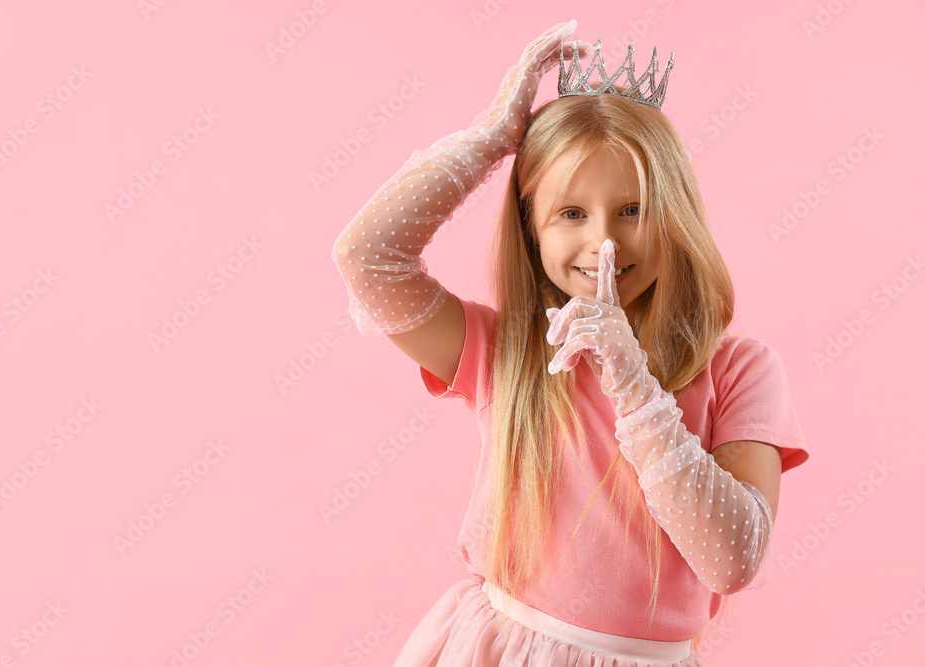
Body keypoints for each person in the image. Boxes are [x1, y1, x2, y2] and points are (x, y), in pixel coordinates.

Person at [330, 19, 810, 666]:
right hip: (497, 647)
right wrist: (492, 141)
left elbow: (732, 559)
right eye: (572, 213)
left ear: (678, 218)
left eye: (634, 209)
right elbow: (368, 258)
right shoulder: (509, 350)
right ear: (532, 230)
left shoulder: (742, 369)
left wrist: (635, 383)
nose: (604, 242)